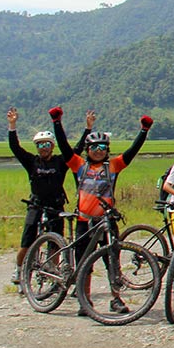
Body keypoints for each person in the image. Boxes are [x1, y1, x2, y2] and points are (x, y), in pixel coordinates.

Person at [57, 110, 151, 315]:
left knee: (112, 261)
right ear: (87, 150)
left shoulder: (114, 166)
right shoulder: (78, 165)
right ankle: (85, 300)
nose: (98, 151)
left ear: (107, 149)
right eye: (94, 147)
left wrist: (144, 130)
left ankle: (115, 299)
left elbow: (132, 151)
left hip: (107, 221)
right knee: (84, 263)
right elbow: (64, 147)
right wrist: (57, 122)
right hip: (84, 221)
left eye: (102, 147)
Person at [7, 106, 88, 287]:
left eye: (46, 144)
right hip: (35, 204)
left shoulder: (60, 161)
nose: (43, 148)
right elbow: (15, 147)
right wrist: (12, 125)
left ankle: (52, 268)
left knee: (56, 240)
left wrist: (87, 129)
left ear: (52, 146)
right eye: (39, 145)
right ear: (36, 147)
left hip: (56, 205)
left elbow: (76, 151)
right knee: (27, 239)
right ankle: (19, 269)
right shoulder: (31, 161)